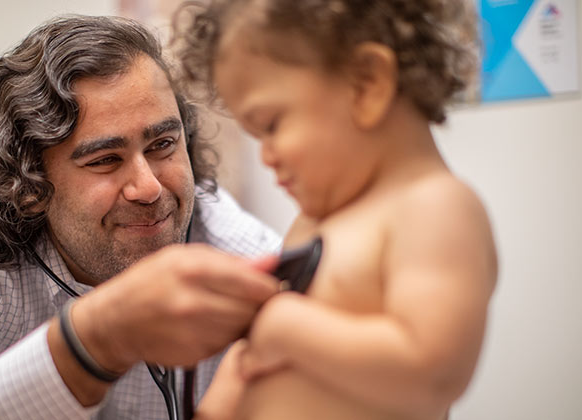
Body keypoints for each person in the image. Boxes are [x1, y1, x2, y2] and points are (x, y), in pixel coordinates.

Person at [0, 15, 283, 420]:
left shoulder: (225, 239)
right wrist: (97, 337)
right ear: (28, 186)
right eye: (105, 160)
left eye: (163, 144)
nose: (150, 188)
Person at [173, 0, 498, 419]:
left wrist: (284, 327)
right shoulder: (312, 223)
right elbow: (253, 358)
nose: (266, 156)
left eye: (271, 126)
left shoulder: (435, 207)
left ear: (367, 83)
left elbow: (434, 373)